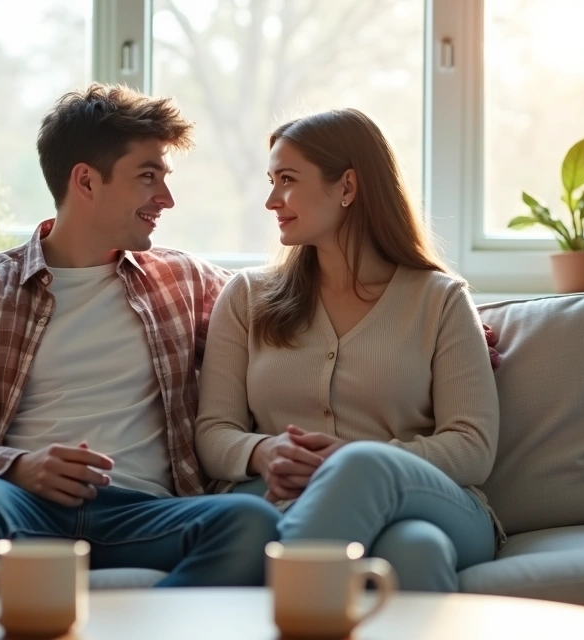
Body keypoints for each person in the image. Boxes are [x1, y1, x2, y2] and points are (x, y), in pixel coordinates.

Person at [0, 83, 280, 600]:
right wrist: (20, 468)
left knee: (249, 522)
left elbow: (284, 312)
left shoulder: (184, 280)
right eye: (148, 177)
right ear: (85, 180)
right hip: (23, 508)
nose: (166, 199)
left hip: (146, 513)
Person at [194, 108, 503, 593]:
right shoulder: (247, 297)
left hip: (433, 500)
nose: (272, 199)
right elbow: (213, 432)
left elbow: (473, 447)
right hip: (285, 498)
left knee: (360, 466)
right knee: (416, 552)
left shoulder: (439, 299)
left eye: (288, 180)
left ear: (347, 187)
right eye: (271, 181)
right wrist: (264, 451)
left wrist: (356, 457)